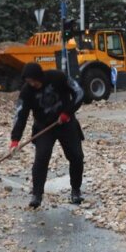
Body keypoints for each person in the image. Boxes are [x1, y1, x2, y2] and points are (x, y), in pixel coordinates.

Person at [10, 62, 85, 208]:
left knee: (76, 156)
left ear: (40, 77)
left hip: (66, 122)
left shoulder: (58, 77)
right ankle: (37, 195)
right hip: (44, 126)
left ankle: (76, 190)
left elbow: (79, 92)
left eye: (34, 81)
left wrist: (67, 112)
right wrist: (15, 140)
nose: (33, 84)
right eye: (29, 82)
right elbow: (21, 115)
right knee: (41, 158)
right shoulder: (26, 91)